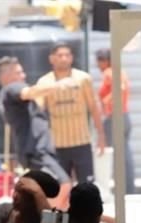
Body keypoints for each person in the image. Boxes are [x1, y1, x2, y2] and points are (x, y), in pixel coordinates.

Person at [0, 56, 72, 207]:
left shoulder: (9, 96)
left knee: (49, 190)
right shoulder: (12, 89)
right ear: (7, 76)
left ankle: (52, 220)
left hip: (37, 151)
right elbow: (29, 92)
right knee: (64, 183)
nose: (23, 76)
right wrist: (58, 85)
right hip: (36, 151)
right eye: (19, 72)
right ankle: (51, 219)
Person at [37, 43, 105, 185]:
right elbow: (39, 111)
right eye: (60, 55)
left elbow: (93, 107)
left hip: (81, 142)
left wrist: (101, 135)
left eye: (67, 55)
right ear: (51, 59)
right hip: (58, 145)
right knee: (61, 187)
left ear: (72, 58)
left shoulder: (83, 79)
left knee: (87, 187)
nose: (64, 59)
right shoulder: (45, 82)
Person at [96, 48, 135, 194]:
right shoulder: (120, 72)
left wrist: (106, 102)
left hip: (115, 117)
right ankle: (127, 187)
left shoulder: (109, 73)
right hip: (124, 116)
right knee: (124, 153)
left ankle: (124, 188)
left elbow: (120, 88)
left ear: (105, 61)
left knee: (118, 155)